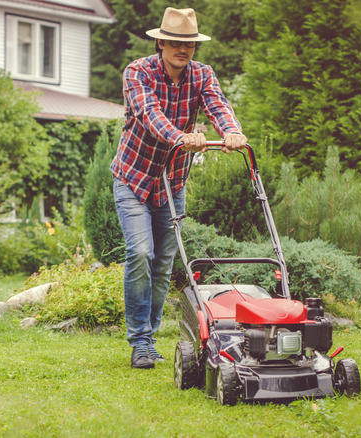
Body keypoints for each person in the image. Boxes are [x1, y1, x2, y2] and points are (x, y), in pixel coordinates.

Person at [111, 7, 247, 369]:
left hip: (172, 182)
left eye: (189, 44)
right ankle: (140, 341)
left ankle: (149, 339)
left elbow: (218, 104)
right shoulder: (138, 72)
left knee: (162, 265)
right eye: (175, 42)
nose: (182, 50)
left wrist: (230, 131)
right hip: (133, 178)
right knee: (141, 253)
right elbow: (149, 113)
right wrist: (180, 137)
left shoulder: (203, 75)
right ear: (161, 42)